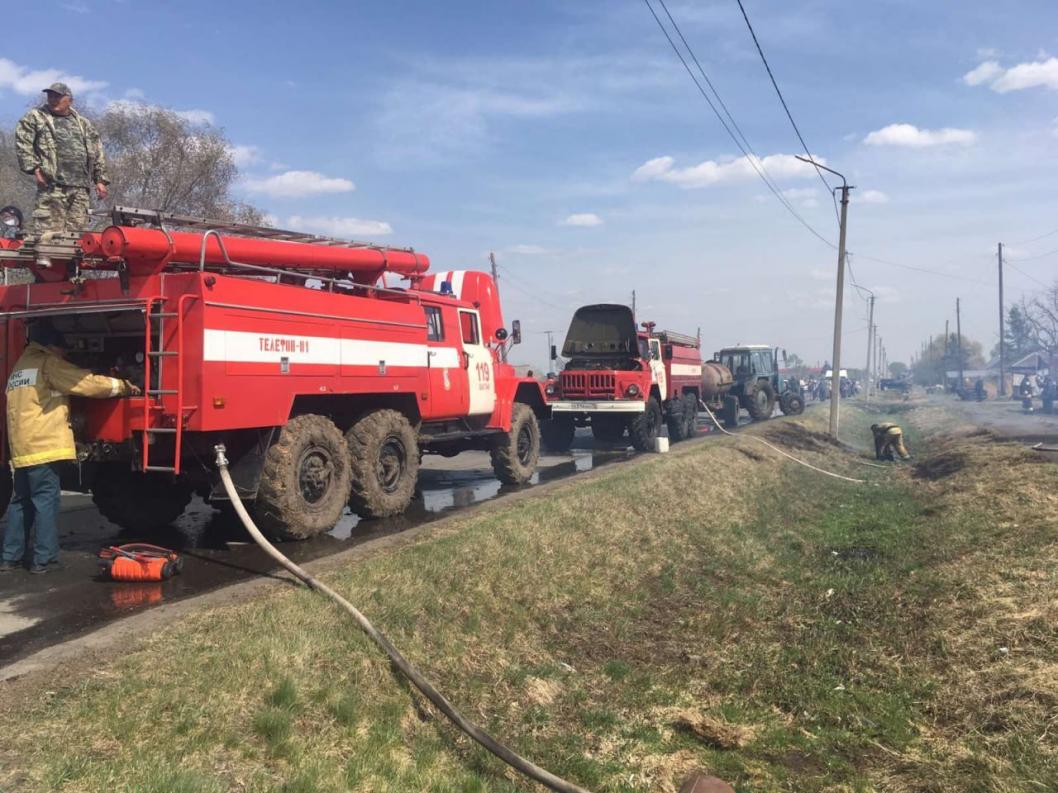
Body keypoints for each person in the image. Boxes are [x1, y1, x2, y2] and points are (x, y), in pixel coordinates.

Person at [1, 321, 140, 574]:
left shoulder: (21, 366)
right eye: (62, 349)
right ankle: (44, 560)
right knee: (45, 501)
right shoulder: (48, 363)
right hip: (44, 446)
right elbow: (85, 383)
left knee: (21, 502)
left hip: (22, 448)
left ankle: (10, 558)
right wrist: (122, 386)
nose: (64, 353)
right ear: (51, 346)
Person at [14, 82, 109, 266]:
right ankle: (45, 262)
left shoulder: (83, 123)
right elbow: (23, 142)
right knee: (49, 226)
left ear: (69, 100)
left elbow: (97, 151)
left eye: (58, 96)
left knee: (76, 231)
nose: (53, 99)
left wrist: (100, 180)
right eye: (50, 96)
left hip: (80, 187)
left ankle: (72, 267)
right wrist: (34, 169)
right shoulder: (36, 117)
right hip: (52, 184)